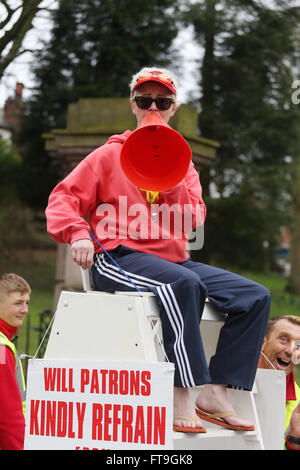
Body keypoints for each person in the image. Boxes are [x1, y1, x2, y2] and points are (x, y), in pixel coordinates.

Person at [46, 66, 271, 433]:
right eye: (144, 99)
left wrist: (169, 172)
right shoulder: (106, 155)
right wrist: (79, 234)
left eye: (162, 101)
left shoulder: (184, 162)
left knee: (255, 295)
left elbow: (193, 219)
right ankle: (184, 391)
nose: (153, 107)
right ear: (133, 105)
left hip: (172, 260)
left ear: (173, 107)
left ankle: (215, 390)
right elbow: (62, 198)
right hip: (116, 256)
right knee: (184, 284)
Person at [258, 315, 300, 450]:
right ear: (263, 343)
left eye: (298, 345)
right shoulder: (228, 380)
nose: (290, 351)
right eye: (283, 339)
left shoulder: (298, 398)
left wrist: (294, 441)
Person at [0, 273, 30, 450]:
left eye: (27, 302)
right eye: (18, 303)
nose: (25, 309)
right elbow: (8, 417)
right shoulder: (2, 349)